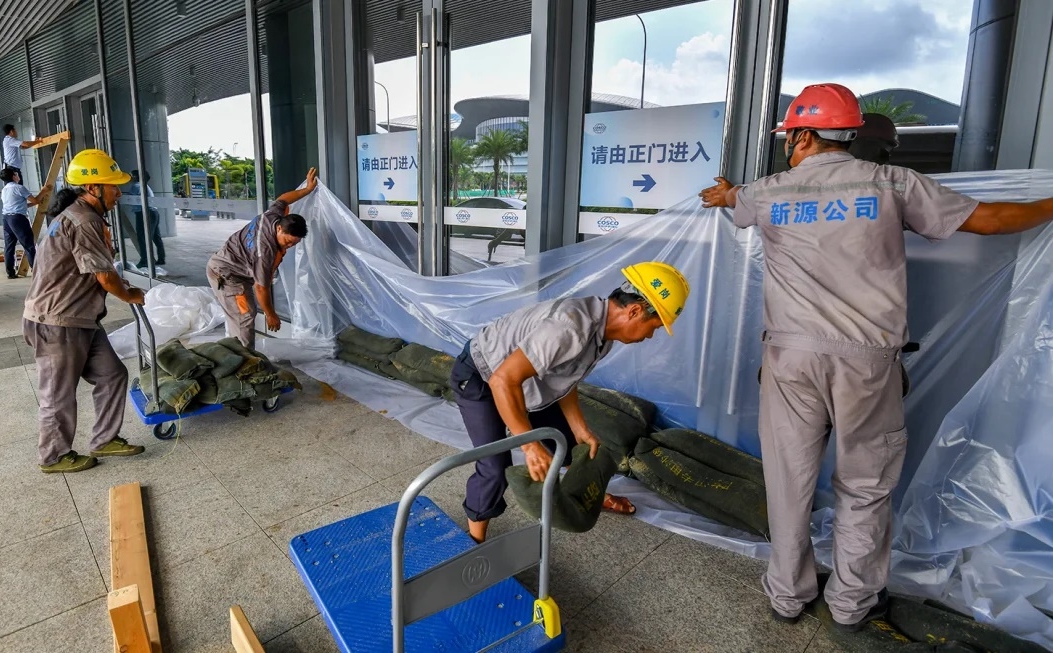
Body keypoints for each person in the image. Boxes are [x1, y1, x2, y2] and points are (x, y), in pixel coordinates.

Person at [698, 83, 1053, 633]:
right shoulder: (891, 184)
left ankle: (788, 597)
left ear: (806, 134)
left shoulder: (770, 191)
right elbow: (990, 220)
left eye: (791, 137)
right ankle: (851, 605)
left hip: (790, 360)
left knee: (789, 482)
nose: (788, 146)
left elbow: (733, 201)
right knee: (864, 486)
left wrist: (726, 193)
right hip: (866, 363)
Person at [450, 262, 690, 543]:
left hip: (520, 380)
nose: (650, 335)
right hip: (482, 375)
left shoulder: (602, 334)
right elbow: (502, 381)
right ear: (635, 311)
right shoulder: (570, 328)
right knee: (494, 467)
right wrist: (529, 445)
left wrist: (579, 428)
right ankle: (474, 541)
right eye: (654, 326)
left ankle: (577, 495)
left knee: (570, 444)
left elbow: (565, 378)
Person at [22, 148, 147, 474]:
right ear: (93, 188)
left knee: (113, 374)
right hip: (58, 322)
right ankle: (53, 457)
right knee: (58, 394)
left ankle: (105, 438)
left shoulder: (81, 216)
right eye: (113, 186)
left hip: (80, 319)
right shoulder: (84, 220)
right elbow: (105, 277)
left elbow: (97, 266)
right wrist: (129, 293)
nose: (119, 192)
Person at [206, 168, 317, 347]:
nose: (288, 246)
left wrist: (307, 190)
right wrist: (271, 315)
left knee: (241, 315)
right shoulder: (265, 252)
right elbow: (261, 288)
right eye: (287, 242)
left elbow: (283, 199)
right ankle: (243, 364)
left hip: (234, 266)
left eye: (293, 244)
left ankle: (236, 352)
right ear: (279, 229)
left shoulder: (273, 216)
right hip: (227, 274)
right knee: (245, 316)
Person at [0, 166, 50, 279]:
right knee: (29, 245)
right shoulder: (19, 188)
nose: (18, 176)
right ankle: (37, 272)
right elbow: (35, 200)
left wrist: (35, 203)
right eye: (16, 174)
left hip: (6, 218)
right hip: (18, 219)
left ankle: (10, 272)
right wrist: (44, 191)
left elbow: (21, 205)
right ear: (13, 176)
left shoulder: (4, 190)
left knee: (9, 246)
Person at [126, 169, 166, 269]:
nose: (129, 177)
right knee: (156, 237)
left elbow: (129, 199)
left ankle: (145, 261)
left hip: (144, 213)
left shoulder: (136, 186)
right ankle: (161, 258)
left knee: (143, 238)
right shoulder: (145, 186)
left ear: (135, 177)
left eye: (131, 175)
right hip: (153, 213)